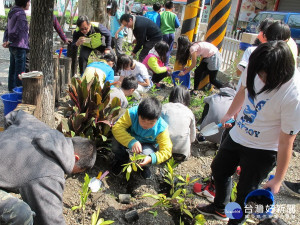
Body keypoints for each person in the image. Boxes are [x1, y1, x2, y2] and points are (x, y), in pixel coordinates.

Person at [196, 41, 300, 225]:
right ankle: (220, 208)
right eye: (257, 73)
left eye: (263, 75)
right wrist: (229, 113)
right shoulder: (256, 66)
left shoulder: (293, 94)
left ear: (280, 72)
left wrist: (278, 179)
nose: (259, 78)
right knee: (219, 170)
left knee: (245, 194)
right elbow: (243, 90)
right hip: (238, 134)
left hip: (263, 148)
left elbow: (286, 141)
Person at [0, 110, 97, 224]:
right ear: (76, 158)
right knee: (22, 214)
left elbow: (15, 115)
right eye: (78, 171)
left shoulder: (38, 126)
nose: (73, 173)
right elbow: (51, 220)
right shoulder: (50, 174)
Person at [111, 97, 172, 179]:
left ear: (157, 119)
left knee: (146, 154)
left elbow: (167, 150)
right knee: (115, 144)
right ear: (138, 114)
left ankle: (144, 167)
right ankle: (122, 160)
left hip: (148, 144)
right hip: (130, 137)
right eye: (142, 120)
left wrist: (151, 158)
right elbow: (117, 128)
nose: (146, 125)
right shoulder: (132, 113)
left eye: (151, 122)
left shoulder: (161, 128)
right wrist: (132, 142)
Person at [161, 85, 196, 160]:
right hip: (182, 153)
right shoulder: (189, 112)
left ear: (172, 95)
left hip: (163, 150)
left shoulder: (165, 107)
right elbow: (193, 138)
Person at [3, 0, 30, 92]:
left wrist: (6, 40)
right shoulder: (21, 14)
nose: (29, 4)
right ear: (24, 3)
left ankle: (11, 90)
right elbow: (18, 30)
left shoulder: (12, 11)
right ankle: (18, 92)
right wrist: (9, 40)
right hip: (19, 45)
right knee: (20, 72)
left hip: (13, 46)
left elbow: (7, 28)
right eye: (28, 2)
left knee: (12, 69)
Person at [160, 1, 180, 65]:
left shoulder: (161, 14)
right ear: (172, 8)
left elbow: (158, 24)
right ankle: (165, 65)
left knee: (162, 49)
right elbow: (177, 25)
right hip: (171, 34)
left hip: (163, 34)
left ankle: (160, 63)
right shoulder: (174, 15)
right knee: (168, 50)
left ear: (164, 7)